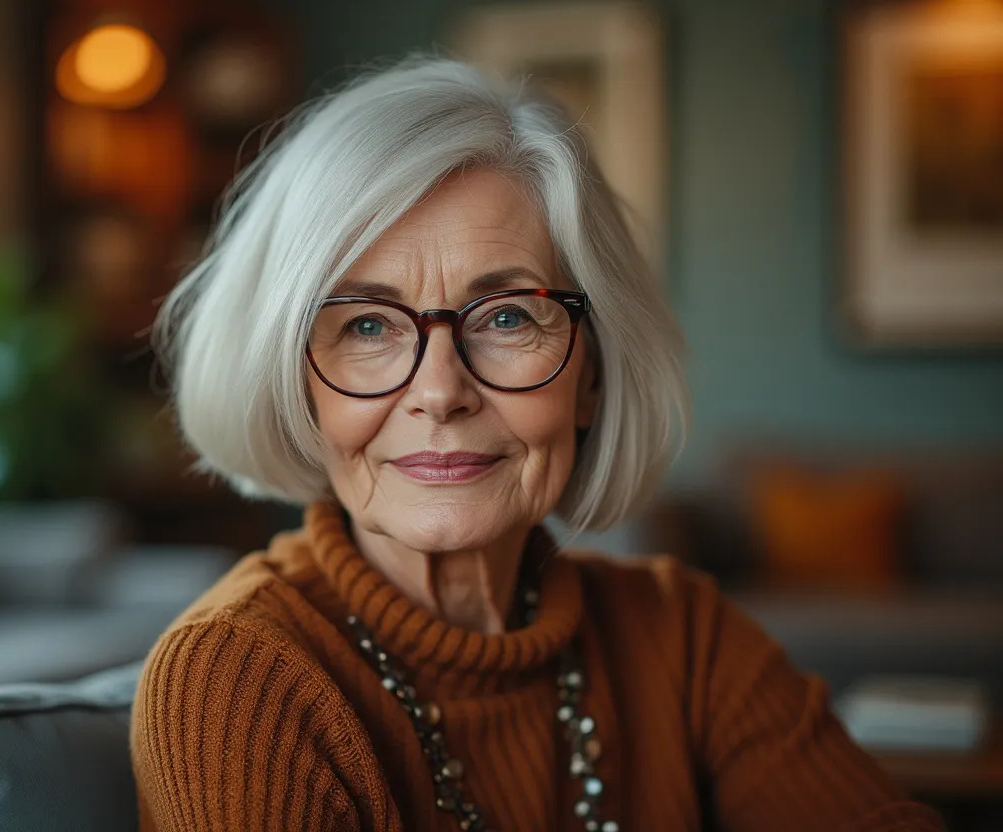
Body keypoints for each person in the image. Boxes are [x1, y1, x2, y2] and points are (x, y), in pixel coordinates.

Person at [130, 55, 943, 832]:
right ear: (296, 384)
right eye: (368, 325)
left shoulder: (680, 637)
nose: (441, 391)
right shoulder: (235, 680)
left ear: (591, 375)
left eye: (508, 317)